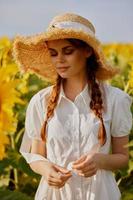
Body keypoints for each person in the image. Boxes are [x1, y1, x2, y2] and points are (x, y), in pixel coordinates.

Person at [13, 13, 132, 200]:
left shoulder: (116, 99)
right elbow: (36, 156)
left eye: (67, 51)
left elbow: (122, 157)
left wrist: (100, 160)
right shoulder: (40, 101)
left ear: (87, 51)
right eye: (53, 53)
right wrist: (47, 170)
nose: (59, 59)